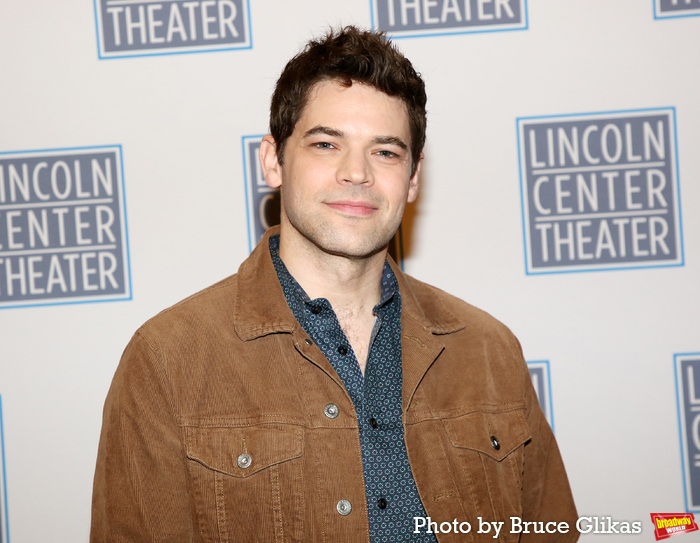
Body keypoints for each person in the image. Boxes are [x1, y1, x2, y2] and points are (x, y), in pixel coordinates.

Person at [91, 26, 578, 542]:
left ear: (412, 178)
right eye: (326, 144)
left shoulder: (487, 351)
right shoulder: (169, 359)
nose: (357, 173)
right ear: (273, 160)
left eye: (386, 152)